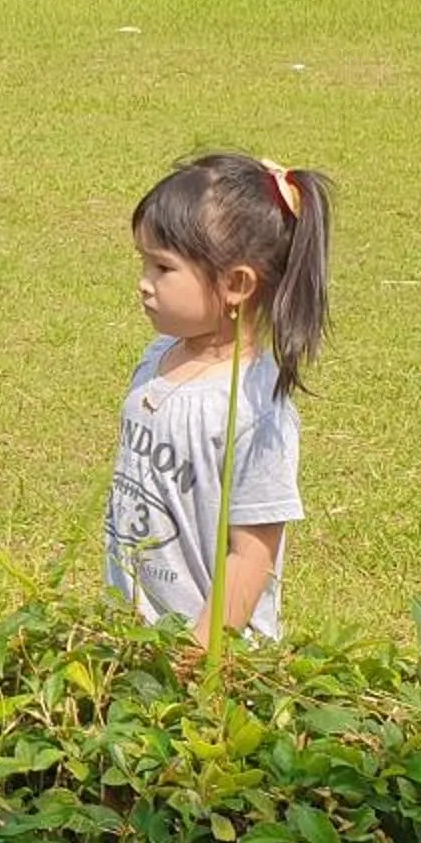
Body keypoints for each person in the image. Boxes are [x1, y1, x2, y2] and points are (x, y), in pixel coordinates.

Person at [103, 152, 333, 644]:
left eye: (163, 267)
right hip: (140, 642)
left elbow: (252, 556)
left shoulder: (255, 412)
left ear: (236, 284)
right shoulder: (158, 355)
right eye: (143, 261)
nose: (144, 283)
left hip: (210, 658)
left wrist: (201, 653)